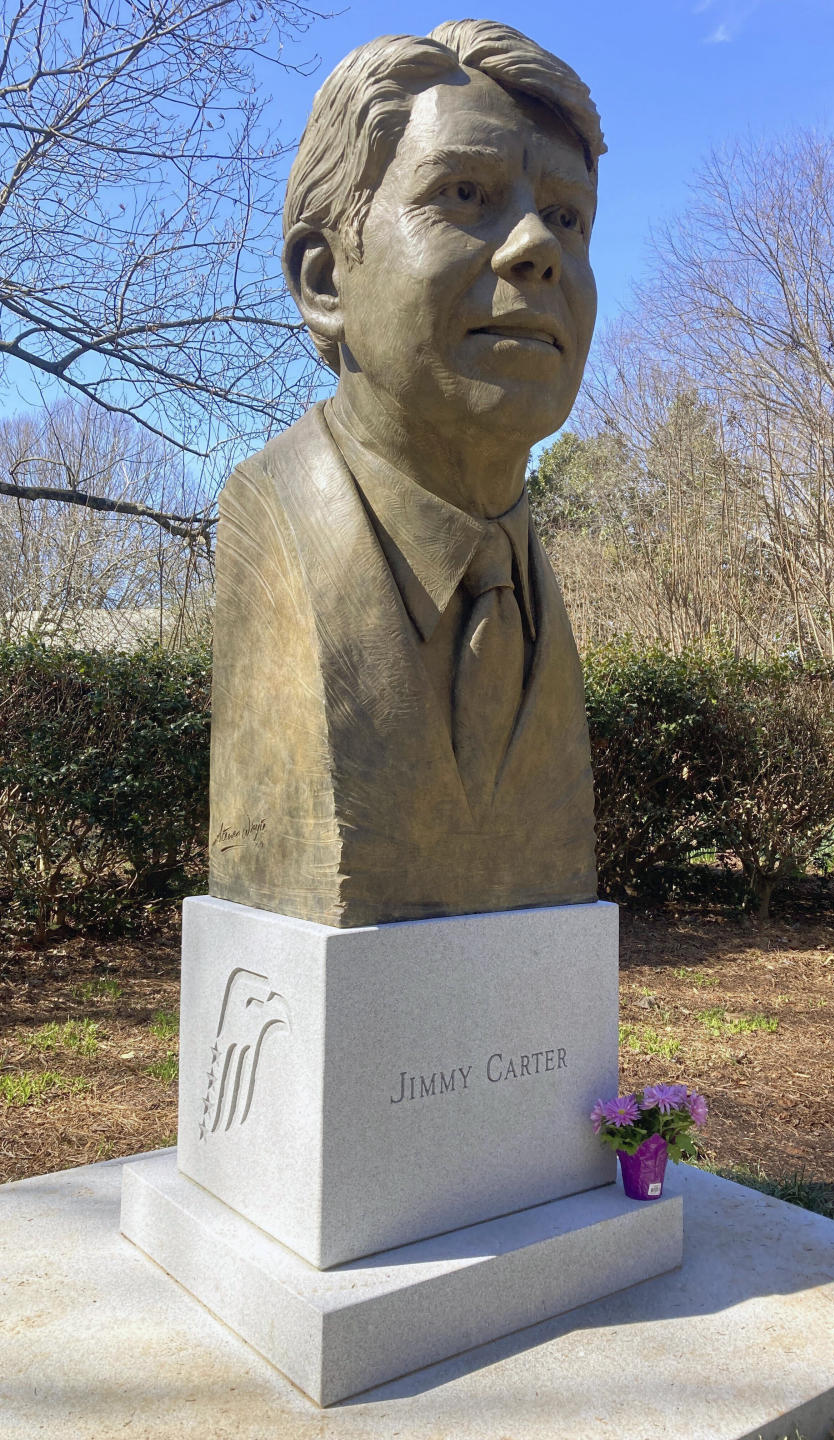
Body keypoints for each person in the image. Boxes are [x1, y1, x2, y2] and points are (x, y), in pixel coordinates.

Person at [209, 19, 606, 927]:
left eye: (570, 216)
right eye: (465, 194)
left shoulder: (536, 591)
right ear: (324, 280)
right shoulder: (275, 526)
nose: (535, 247)